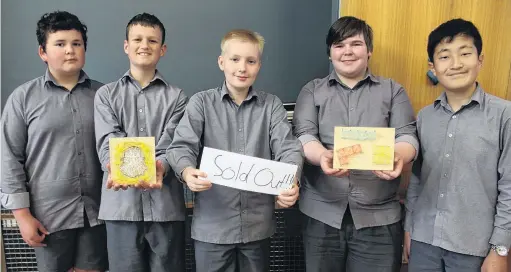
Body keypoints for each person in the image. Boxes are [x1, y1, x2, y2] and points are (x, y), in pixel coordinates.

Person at [167, 29, 303, 272]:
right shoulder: (201, 103)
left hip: (257, 228)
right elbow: (181, 146)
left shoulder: (271, 106)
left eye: (250, 61)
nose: (242, 68)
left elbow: (289, 148)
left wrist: (291, 181)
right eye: (235, 59)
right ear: (221, 62)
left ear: (259, 65)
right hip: (212, 229)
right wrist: (187, 172)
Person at [293, 16, 418, 272]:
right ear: (330, 53)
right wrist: (322, 156)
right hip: (321, 214)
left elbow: (408, 137)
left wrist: (398, 156)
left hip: (379, 217)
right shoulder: (311, 91)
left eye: (355, 44)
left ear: (369, 50)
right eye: (339, 45)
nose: (347, 51)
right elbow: (304, 135)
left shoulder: (393, 91)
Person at [1, 11, 108, 272]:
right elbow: (9, 157)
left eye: (76, 44)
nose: (70, 51)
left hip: (98, 214)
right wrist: (22, 216)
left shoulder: (104, 95)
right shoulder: (23, 98)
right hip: (48, 217)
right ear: (43, 52)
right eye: (60, 44)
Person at [405, 18, 511, 272]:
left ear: (480, 60)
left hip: (476, 248)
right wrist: (409, 229)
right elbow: (417, 180)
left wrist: (500, 249)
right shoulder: (424, 117)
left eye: (465, 53)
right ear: (433, 66)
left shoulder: (504, 115)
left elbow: (510, 187)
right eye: (444, 56)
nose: (456, 64)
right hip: (424, 243)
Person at [94, 13, 187, 272]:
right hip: (121, 209)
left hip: (165, 208)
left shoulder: (177, 97)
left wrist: (160, 166)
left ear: (163, 49)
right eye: (137, 39)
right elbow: (108, 141)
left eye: (152, 40)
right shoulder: (106, 95)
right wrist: (117, 167)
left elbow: (174, 144)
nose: (144, 45)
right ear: (126, 46)